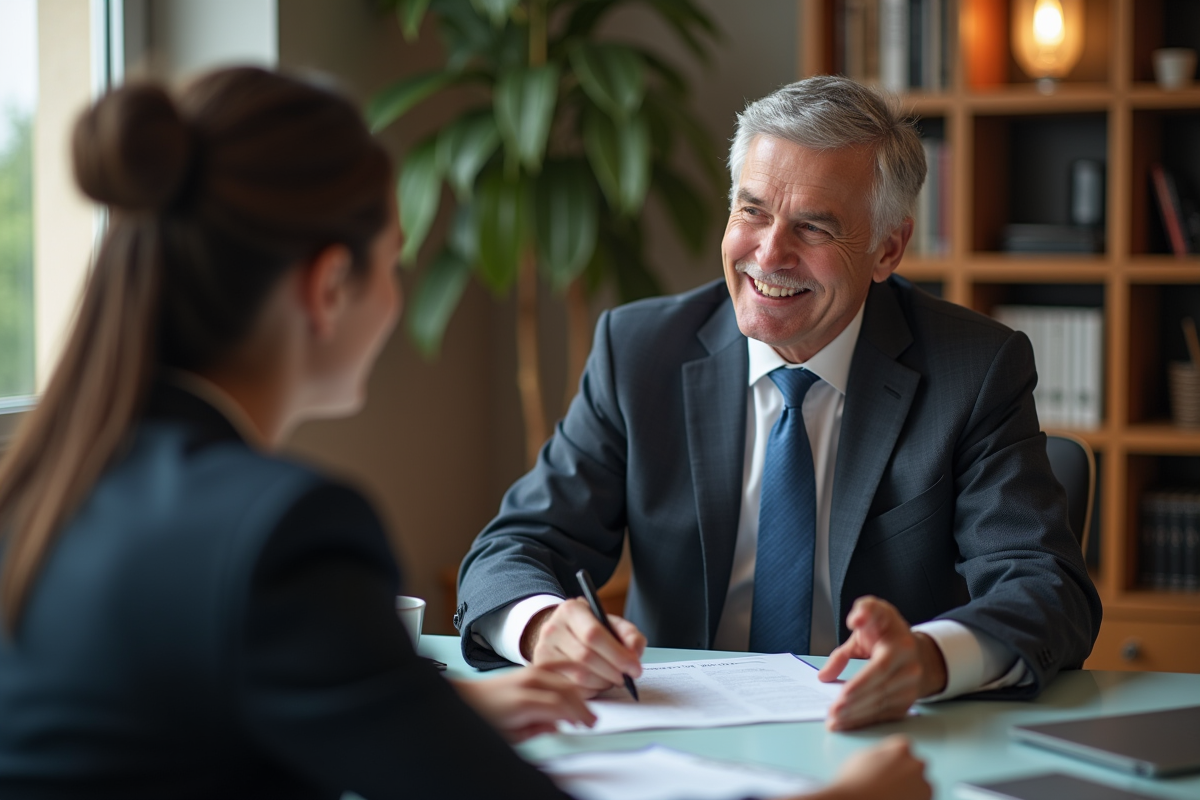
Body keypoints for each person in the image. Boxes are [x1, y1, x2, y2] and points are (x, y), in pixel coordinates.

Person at [0, 68, 929, 800]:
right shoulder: (285, 530)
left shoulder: (50, 484)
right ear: (330, 287)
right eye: (395, 261)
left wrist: (435, 708)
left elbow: (184, 717)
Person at [456, 75, 1103, 731]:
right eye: (752, 211)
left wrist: (930, 658)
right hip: (674, 737)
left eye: (813, 227)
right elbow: (515, 546)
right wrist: (543, 626)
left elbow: (1046, 588)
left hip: (876, 735)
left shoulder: (973, 369)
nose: (769, 255)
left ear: (888, 248)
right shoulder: (641, 350)